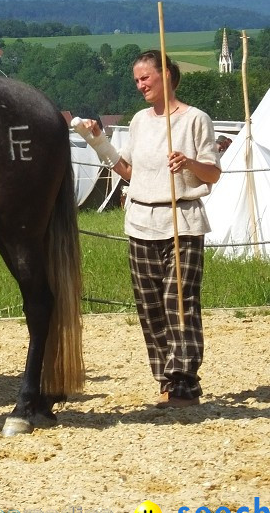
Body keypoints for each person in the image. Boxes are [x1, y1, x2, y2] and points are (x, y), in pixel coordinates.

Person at [75, 51, 221, 408]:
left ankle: (185, 382)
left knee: (179, 303)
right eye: (137, 80)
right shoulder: (140, 121)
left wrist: (189, 163)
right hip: (141, 222)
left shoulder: (195, 120)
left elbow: (213, 175)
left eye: (146, 78)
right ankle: (166, 379)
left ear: (166, 75)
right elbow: (128, 170)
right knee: (151, 306)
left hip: (182, 222)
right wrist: (97, 141)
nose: (140, 85)